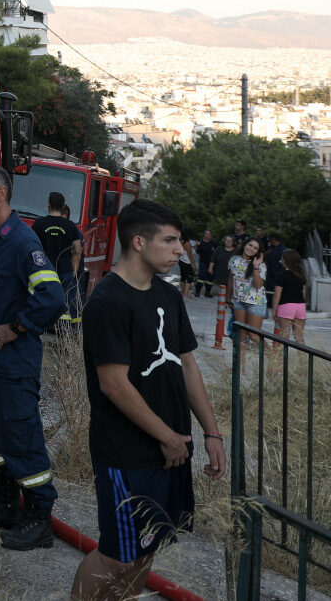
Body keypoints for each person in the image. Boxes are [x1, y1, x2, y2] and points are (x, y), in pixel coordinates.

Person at [70, 199, 225, 601]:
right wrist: (167, 436)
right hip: (127, 453)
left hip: (172, 450)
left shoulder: (167, 295)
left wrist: (211, 432)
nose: (179, 250)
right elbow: (114, 385)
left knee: (148, 545)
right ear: (138, 242)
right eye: (170, 240)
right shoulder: (108, 301)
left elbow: (187, 365)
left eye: (180, 241)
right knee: (116, 557)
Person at [0, 166, 66, 551]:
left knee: (21, 441)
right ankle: (4, 504)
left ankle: (39, 519)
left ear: (1, 194)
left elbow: (52, 298)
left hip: (13, 366)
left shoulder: (23, 242)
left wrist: (16, 328)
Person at [32, 191, 84, 326]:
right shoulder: (71, 226)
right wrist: (74, 271)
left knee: (42, 300)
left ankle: (40, 328)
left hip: (42, 273)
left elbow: (31, 248)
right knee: (64, 303)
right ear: (63, 206)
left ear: (48, 205)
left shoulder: (38, 224)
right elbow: (77, 250)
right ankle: (62, 332)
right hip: (64, 272)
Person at [229, 237, 268, 350]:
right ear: (244, 244)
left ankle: (274, 361)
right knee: (240, 336)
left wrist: (255, 267)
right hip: (239, 301)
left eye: (255, 248)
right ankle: (240, 367)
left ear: (258, 252)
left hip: (255, 302)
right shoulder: (234, 259)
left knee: (253, 335)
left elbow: (258, 285)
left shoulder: (260, 265)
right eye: (250, 245)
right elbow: (231, 279)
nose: (251, 249)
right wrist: (228, 298)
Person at [271, 249, 307, 345]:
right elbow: (303, 293)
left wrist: (274, 310)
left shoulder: (281, 276)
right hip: (300, 306)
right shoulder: (301, 275)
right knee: (299, 338)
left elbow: (277, 295)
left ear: (285, 261)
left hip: (286, 306)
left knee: (284, 338)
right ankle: (303, 359)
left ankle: (281, 360)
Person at [263, 233, 285, 307]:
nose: (270, 242)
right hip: (270, 272)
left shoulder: (282, 249)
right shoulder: (271, 248)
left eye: (271, 240)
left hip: (278, 272)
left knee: (276, 289)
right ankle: (269, 303)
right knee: (269, 289)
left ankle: (276, 303)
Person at [211, 235, 235, 302]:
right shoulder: (219, 249)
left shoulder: (236, 251)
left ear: (233, 242)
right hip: (219, 272)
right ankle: (221, 302)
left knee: (229, 287)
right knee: (219, 289)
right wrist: (210, 267)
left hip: (231, 273)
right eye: (227, 240)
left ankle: (228, 300)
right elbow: (213, 259)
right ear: (224, 241)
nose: (228, 242)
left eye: (230, 241)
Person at [194, 230, 216, 298]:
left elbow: (216, 253)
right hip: (203, 262)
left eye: (208, 234)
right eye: (206, 234)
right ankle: (197, 292)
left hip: (211, 263)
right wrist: (197, 246)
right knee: (201, 277)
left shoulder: (213, 243)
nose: (207, 235)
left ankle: (208, 292)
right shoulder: (200, 243)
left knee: (210, 279)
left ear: (211, 235)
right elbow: (196, 251)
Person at [177, 234, 196, 300]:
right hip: (187, 262)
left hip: (181, 261)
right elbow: (190, 255)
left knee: (183, 277)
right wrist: (193, 264)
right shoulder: (187, 244)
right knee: (190, 278)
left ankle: (183, 293)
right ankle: (186, 294)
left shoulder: (182, 242)